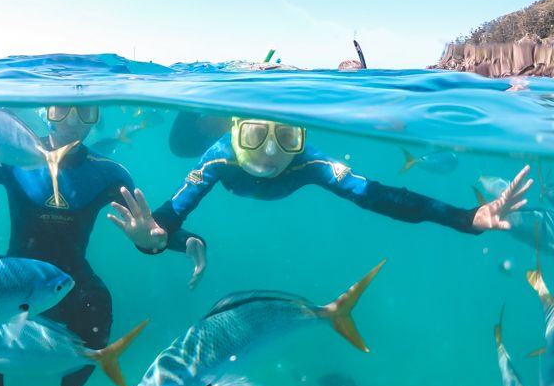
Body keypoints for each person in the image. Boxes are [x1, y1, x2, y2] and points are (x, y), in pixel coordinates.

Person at [0, 105, 198, 386]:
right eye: (61, 111)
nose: (72, 120)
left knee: (97, 304)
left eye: (86, 112)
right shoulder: (9, 154)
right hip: (15, 280)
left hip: (68, 284)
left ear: (98, 117)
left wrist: (174, 240)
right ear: (44, 112)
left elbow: (148, 227)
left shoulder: (108, 172)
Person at [109, 116, 533, 279]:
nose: (272, 153)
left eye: (287, 136)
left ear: (302, 136)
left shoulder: (309, 163)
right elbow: (168, 218)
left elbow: (378, 195)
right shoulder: (218, 159)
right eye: (255, 136)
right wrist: (155, 240)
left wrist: (466, 217)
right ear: (233, 132)